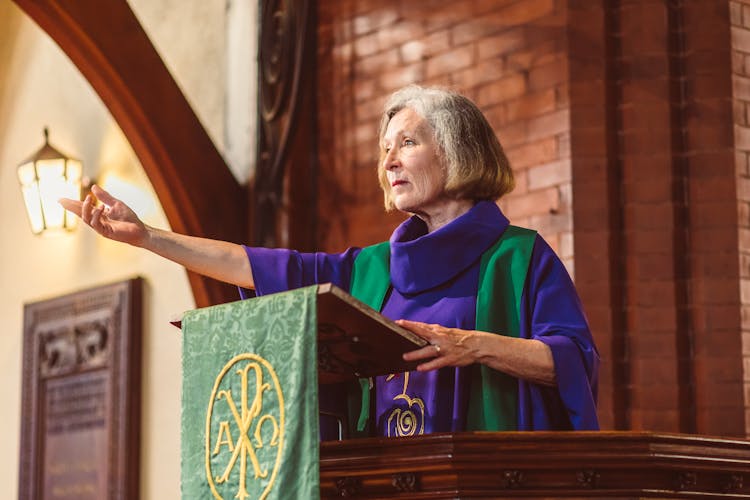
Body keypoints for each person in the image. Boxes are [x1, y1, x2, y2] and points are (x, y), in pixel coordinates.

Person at [61, 85, 599, 437]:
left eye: (407, 142)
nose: (387, 161)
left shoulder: (518, 257)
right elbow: (256, 264)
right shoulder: (371, 269)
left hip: (488, 478)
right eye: (384, 148)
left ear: (457, 151)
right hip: (382, 479)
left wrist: (473, 346)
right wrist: (148, 236)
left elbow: (572, 361)